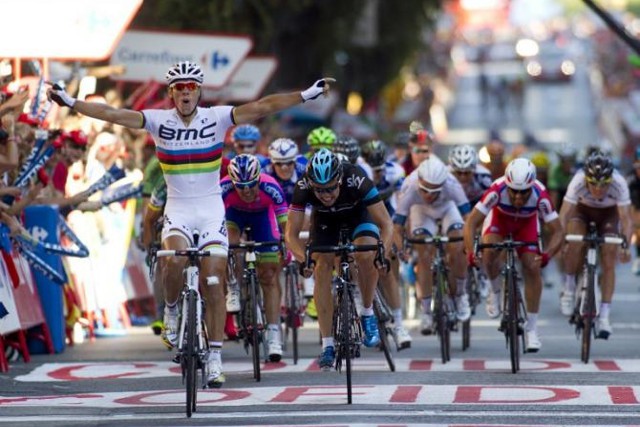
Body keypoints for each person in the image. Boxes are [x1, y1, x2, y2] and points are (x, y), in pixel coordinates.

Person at [47, 60, 336, 388]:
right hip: (179, 209)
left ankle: (214, 357)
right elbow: (112, 114)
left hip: (212, 210)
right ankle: (170, 310)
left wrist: (307, 94)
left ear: (199, 91)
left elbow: (263, 105)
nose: (186, 92)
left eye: (191, 87)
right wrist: (71, 103)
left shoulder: (216, 117)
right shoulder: (158, 121)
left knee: (214, 279)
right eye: (179, 88)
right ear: (172, 93)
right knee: (175, 260)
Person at [285, 148, 393, 370]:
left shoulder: (356, 177)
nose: (326, 195)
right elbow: (291, 235)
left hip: (358, 216)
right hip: (325, 222)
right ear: (311, 184)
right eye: (320, 190)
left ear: (340, 179)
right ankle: (327, 345)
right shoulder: (303, 186)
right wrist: (302, 259)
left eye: (331, 188)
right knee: (321, 267)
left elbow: (386, 225)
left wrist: (382, 253)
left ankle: (367, 312)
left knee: (366, 254)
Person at [463, 158, 564, 352]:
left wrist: (547, 255)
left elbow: (558, 231)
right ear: (507, 185)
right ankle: (495, 291)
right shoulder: (497, 190)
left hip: (526, 225)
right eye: (514, 192)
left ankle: (532, 329)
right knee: (489, 251)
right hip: (500, 221)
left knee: (532, 266)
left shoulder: (540, 195)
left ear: (531, 186)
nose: (518, 197)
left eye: (523, 192)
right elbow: (471, 223)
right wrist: (471, 251)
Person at [393, 155, 472, 335]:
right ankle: (426, 312)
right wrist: (402, 248)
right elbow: (397, 227)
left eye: (434, 191)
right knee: (424, 257)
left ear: (442, 185)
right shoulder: (410, 186)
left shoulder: (452, 184)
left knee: (457, 244)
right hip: (421, 213)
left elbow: (469, 219)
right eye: (425, 190)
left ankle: (460, 295)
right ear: (419, 182)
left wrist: (469, 244)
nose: (429, 195)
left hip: (447, 209)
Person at [558, 151, 633, 338]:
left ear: (610, 180)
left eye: (603, 185)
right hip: (582, 212)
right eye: (593, 184)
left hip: (608, 215)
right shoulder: (577, 181)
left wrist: (625, 245)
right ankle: (568, 288)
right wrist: (561, 239)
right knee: (574, 242)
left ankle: (605, 316)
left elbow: (626, 218)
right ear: (586, 179)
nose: (598, 190)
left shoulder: (619, 183)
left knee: (609, 258)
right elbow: (565, 213)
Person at [222, 154, 288, 361]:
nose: (247, 190)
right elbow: (215, 223)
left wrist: (286, 245)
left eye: (251, 184)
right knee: (229, 246)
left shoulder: (271, 187)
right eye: (240, 186)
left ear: (259, 178)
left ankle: (274, 334)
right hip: (234, 216)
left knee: (268, 276)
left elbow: (285, 225)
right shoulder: (223, 189)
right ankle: (233, 284)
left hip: (262, 217)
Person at [361, 139, 412, 349]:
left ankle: (399, 324)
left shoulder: (396, 172)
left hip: (387, 215)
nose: (377, 176)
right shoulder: (359, 174)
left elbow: (401, 206)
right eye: (374, 171)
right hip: (364, 216)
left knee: (389, 263)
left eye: (380, 171)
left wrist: (402, 236)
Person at [627, 148, 640, 275]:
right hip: (636, 203)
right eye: (638, 167)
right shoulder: (630, 178)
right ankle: (638, 256)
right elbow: (626, 202)